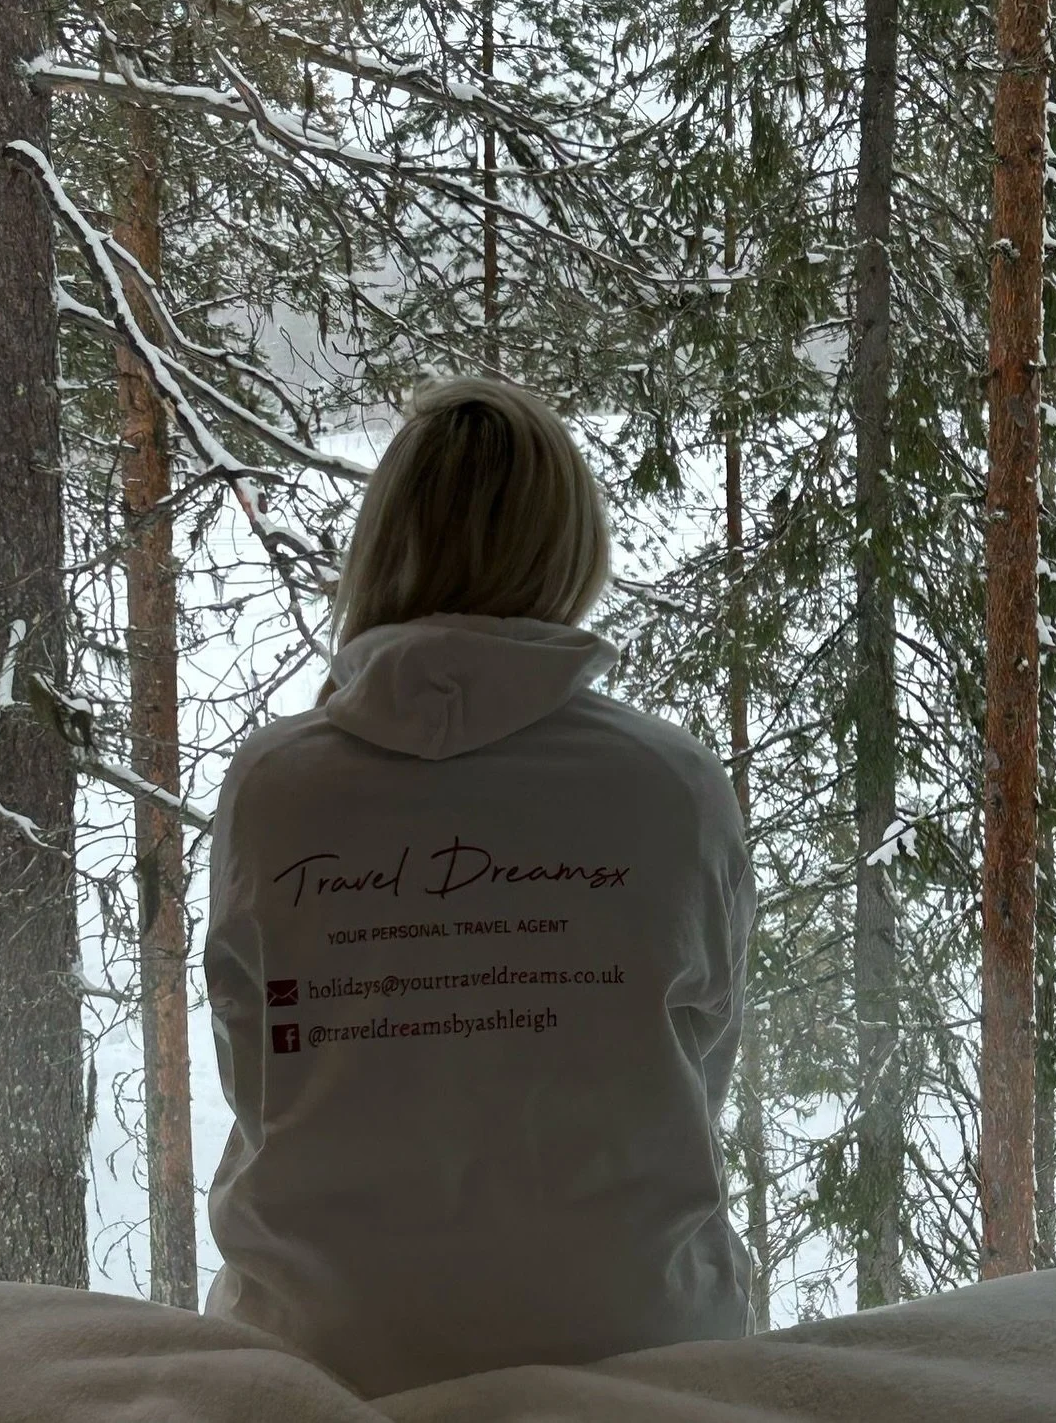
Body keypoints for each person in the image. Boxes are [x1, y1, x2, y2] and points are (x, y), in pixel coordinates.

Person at [202, 375, 757, 1398]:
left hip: (323, 1353)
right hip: (637, 1344)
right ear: (571, 546)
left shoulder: (277, 787)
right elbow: (692, 1062)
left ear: (383, 541)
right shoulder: (669, 784)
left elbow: (261, 1076)